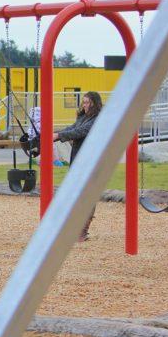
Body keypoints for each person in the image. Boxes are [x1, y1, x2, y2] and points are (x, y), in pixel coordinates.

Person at [53, 91, 103, 242]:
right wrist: (57, 133)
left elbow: (81, 131)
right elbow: (73, 127)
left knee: (87, 195)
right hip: (78, 159)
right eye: (84, 102)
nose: (85, 105)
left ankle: (82, 229)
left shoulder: (98, 118)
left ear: (95, 103)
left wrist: (58, 136)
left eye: (88, 102)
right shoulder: (83, 117)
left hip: (90, 161)